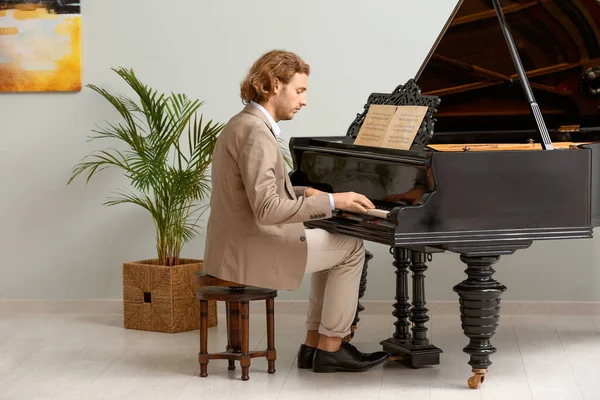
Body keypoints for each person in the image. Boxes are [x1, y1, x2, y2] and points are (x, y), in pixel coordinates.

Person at [203, 49, 389, 373]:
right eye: (300, 91)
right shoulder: (258, 134)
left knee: (331, 239)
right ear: (275, 85)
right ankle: (331, 345)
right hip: (252, 246)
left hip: (233, 243)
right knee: (351, 248)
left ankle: (314, 346)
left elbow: (256, 193)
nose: (304, 101)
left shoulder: (241, 122)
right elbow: (267, 209)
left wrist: (307, 192)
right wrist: (334, 202)